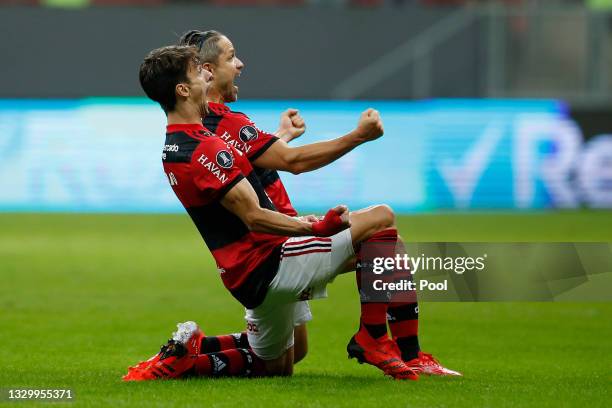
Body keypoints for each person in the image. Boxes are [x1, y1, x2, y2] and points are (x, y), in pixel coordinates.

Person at [175, 30, 460, 377]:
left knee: (285, 360)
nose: (240, 64)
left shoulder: (203, 129)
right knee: (383, 224)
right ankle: (388, 345)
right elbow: (294, 162)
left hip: (253, 260)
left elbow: (248, 164)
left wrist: (280, 138)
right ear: (207, 70)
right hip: (274, 252)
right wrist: (358, 137)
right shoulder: (225, 121)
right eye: (231, 56)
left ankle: (193, 353)